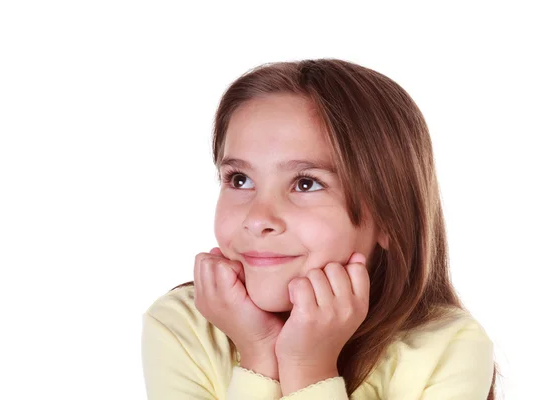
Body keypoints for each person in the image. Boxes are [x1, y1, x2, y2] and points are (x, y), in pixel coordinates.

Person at [141, 58, 498, 399]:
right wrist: (259, 353)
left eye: (306, 183)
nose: (257, 218)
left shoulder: (447, 348)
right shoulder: (182, 325)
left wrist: (307, 368)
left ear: (389, 217)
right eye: (239, 179)